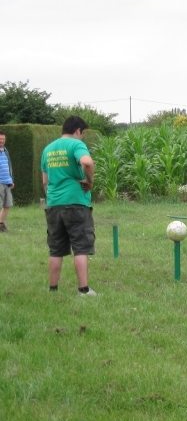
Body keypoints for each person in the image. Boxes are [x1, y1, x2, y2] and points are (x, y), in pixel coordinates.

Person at [41, 116, 97, 296]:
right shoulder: (75, 144)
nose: (82, 137)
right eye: (83, 133)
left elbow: (45, 181)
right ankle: (83, 289)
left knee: (55, 249)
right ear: (78, 130)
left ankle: (53, 289)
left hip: (54, 205)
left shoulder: (48, 149)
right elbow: (87, 162)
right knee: (80, 246)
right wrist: (90, 181)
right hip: (75, 203)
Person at [0, 131, 14, 233]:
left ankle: (1, 225)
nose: (2, 141)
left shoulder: (5, 151)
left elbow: (9, 166)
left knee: (7, 205)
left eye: (3, 139)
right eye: (0, 139)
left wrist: (11, 179)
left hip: (7, 182)